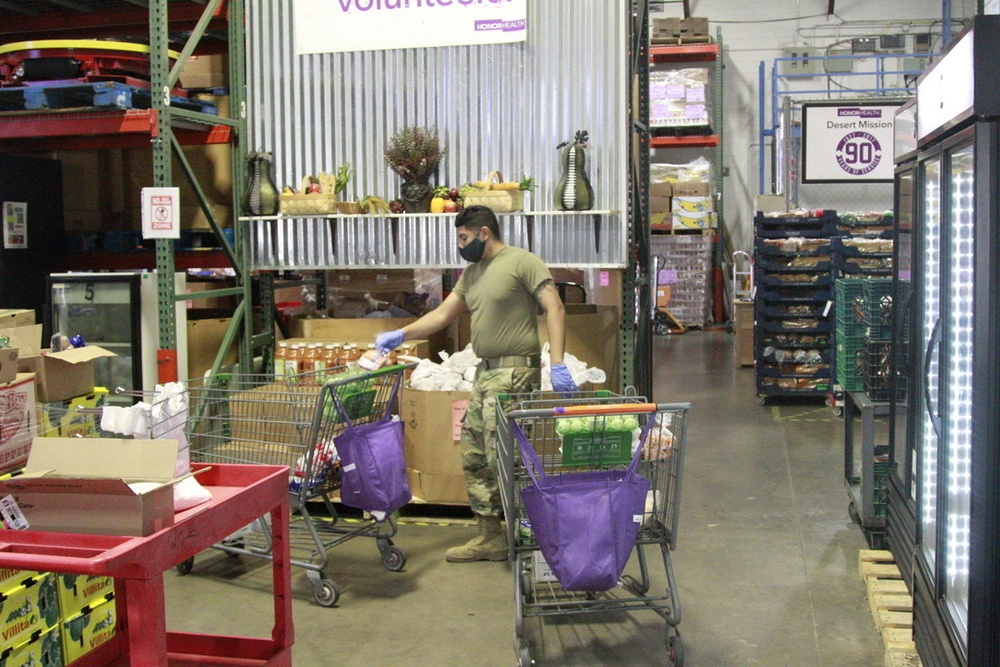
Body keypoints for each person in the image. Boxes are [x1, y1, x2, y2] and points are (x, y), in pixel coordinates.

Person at [374, 205, 579, 562]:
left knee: (503, 453)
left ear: (484, 232)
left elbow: (555, 308)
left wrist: (558, 364)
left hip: (514, 373)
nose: (460, 244)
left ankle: (528, 529)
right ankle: (490, 536)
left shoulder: (522, 262)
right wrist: (401, 334)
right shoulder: (472, 273)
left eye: (464, 237)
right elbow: (442, 314)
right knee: (475, 453)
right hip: (485, 372)